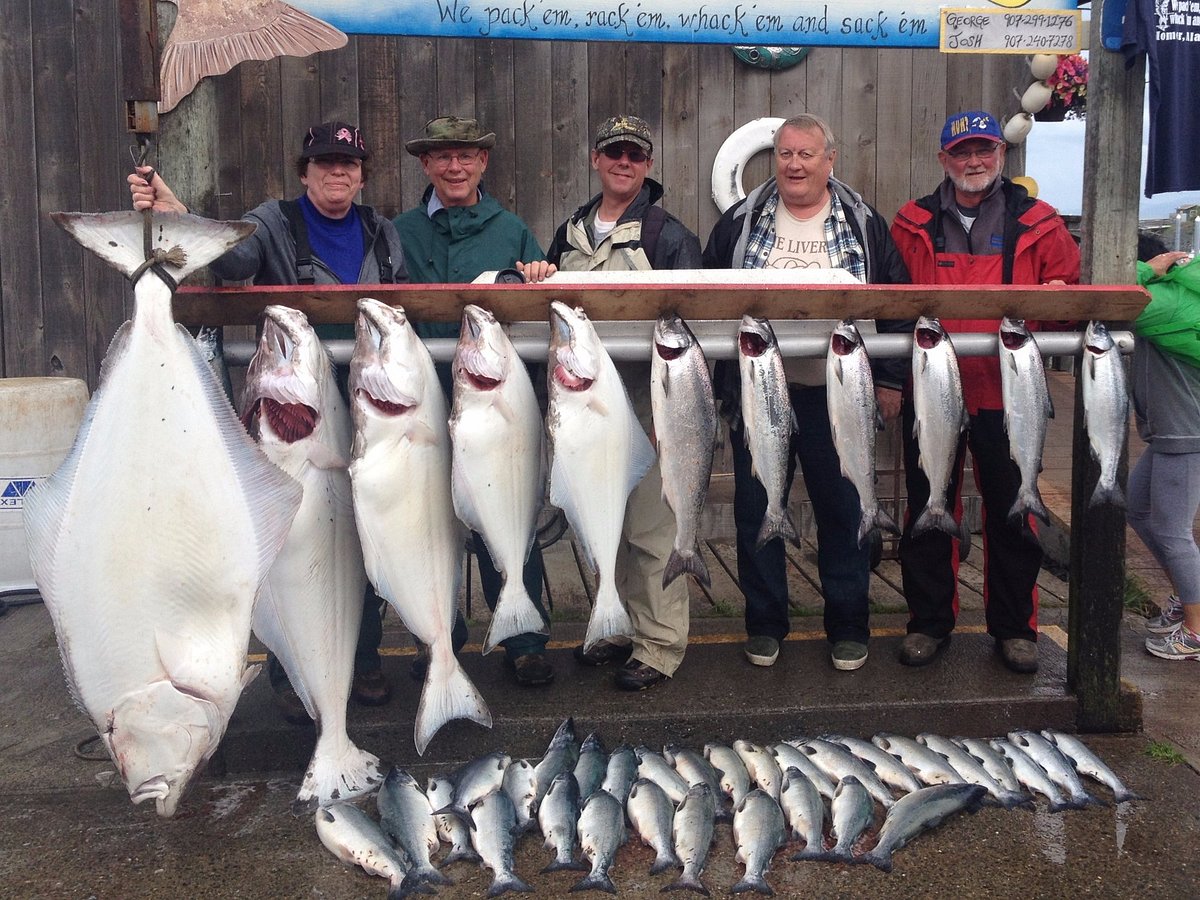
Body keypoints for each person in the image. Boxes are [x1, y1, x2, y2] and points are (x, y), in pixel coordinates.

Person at [129, 121, 407, 720]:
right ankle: (289, 665)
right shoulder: (274, 223)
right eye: (326, 162)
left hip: (364, 411)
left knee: (362, 536)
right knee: (289, 539)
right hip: (293, 416)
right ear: (304, 172)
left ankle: (364, 660)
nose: (339, 172)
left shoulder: (383, 233)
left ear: (362, 174)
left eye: (350, 163)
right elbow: (229, 262)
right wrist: (173, 209)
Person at [701, 113, 911, 673]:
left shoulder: (864, 221)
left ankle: (848, 626)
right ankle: (765, 625)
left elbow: (896, 299)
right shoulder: (741, 222)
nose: (794, 165)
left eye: (806, 155)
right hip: (759, 391)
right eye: (785, 154)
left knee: (843, 509)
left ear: (829, 160)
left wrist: (890, 379)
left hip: (838, 392)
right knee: (756, 509)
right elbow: (708, 297)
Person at [890, 110, 1081, 674]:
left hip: (1008, 391)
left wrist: (1056, 297)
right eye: (962, 152)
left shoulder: (1042, 222)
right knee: (928, 507)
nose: (974, 161)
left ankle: (1016, 629)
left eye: (984, 150)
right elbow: (892, 297)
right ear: (943, 159)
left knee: (1013, 509)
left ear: (1001, 154)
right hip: (933, 388)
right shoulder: (912, 221)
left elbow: (1069, 292)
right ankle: (928, 624)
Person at [393, 115, 557, 687]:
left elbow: (542, 299)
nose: (455, 167)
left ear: (483, 163)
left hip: (491, 405)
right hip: (421, 399)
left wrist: (537, 275)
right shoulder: (400, 230)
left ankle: (525, 638)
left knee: (502, 511)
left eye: (466, 156)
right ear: (426, 166)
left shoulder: (511, 229)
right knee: (425, 518)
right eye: (443, 157)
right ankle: (435, 633)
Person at [544, 115, 703, 691]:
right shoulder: (570, 231)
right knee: (600, 520)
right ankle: (615, 623)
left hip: (645, 400)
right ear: (596, 158)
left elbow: (688, 323)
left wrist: (676, 415)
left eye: (635, 154)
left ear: (648, 165)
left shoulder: (670, 235)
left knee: (650, 527)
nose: (623, 162)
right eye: (614, 152)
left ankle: (659, 644)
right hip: (585, 403)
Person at [1131, 234, 1200, 660]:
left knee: (1173, 532)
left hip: (1186, 431)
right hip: (1170, 432)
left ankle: (1196, 630)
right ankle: (1187, 596)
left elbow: (1110, 297)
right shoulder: (1174, 296)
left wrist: (1146, 271)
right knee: (1138, 510)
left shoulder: (1164, 303)